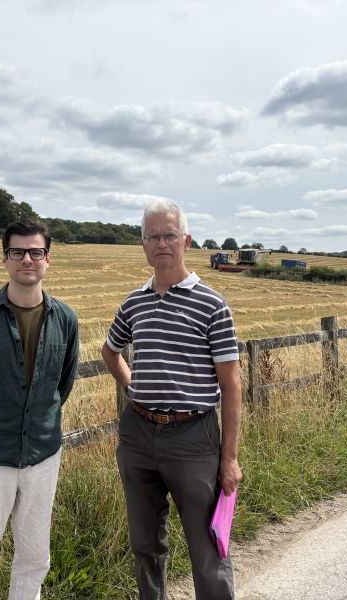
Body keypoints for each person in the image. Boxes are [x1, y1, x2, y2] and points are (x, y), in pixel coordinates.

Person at [101, 200, 242, 599]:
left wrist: (229, 458)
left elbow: (231, 385)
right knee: (145, 545)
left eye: (170, 235)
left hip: (193, 437)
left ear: (186, 241)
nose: (162, 243)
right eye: (153, 237)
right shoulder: (134, 302)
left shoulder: (212, 305)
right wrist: (133, 390)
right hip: (138, 435)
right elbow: (110, 351)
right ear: (143, 245)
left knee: (207, 549)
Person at [0, 219, 80, 600]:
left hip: (43, 455)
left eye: (36, 251)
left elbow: (64, 384)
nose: (27, 259)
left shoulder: (67, 320)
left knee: (35, 555)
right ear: (5, 259)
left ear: (47, 260)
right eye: (18, 252)